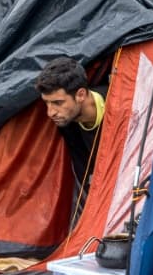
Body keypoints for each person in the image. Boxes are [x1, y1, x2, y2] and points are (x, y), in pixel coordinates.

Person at [35, 56, 107, 193]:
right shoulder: (68, 123)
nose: (50, 113)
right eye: (46, 103)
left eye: (58, 103)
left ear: (80, 95)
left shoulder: (120, 106)